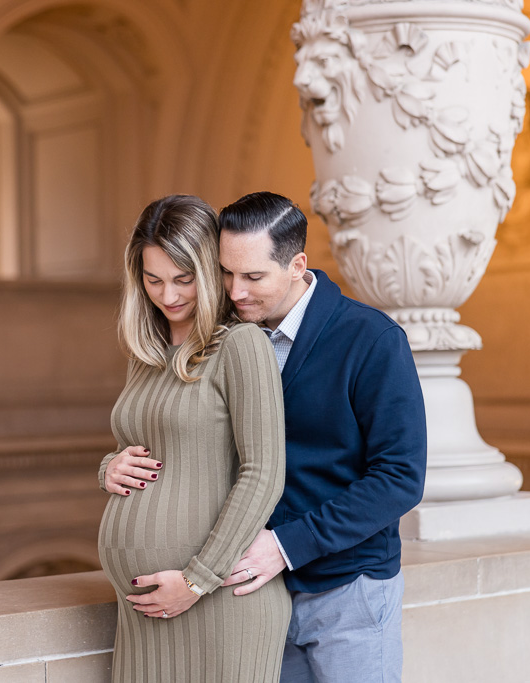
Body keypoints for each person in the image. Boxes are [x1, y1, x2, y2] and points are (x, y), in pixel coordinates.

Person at [107, 191, 427, 682]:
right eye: (226, 273)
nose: (236, 292)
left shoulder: (371, 339)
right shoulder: (228, 333)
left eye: (253, 277)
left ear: (297, 264)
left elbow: (400, 478)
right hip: (254, 589)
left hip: (345, 587)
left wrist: (284, 546)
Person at [97, 194, 291, 682]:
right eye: (153, 280)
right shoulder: (149, 354)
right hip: (146, 615)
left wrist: (196, 580)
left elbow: (263, 473)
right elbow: (151, 444)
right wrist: (110, 467)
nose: (169, 296)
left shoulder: (241, 345)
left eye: (184, 279)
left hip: (219, 603)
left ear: (209, 270)